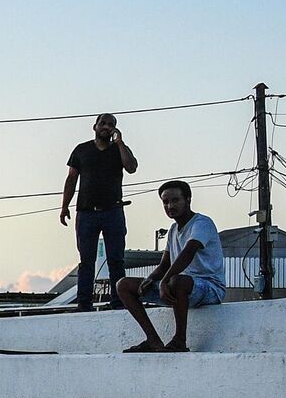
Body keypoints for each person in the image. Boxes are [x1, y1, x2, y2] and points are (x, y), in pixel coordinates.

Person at [117, 179, 225, 352]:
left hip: (209, 288)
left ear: (188, 200)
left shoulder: (202, 223)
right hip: (177, 287)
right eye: (165, 202)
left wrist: (166, 281)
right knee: (123, 285)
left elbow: (188, 253)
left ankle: (180, 341)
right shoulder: (173, 230)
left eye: (175, 200)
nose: (170, 206)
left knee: (177, 281)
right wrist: (150, 279)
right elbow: (164, 264)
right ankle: (153, 340)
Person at [60, 113, 139, 310]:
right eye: (103, 123)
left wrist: (120, 143)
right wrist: (64, 206)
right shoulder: (81, 150)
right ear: (94, 126)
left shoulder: (119, 150)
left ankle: (118, 303)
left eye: (111, 124)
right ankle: (83, 304)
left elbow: (131, 167)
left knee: (116, 259)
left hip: (113, 211)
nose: (106, 127)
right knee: (86, 261)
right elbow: (71, 179)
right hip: (86, 213)